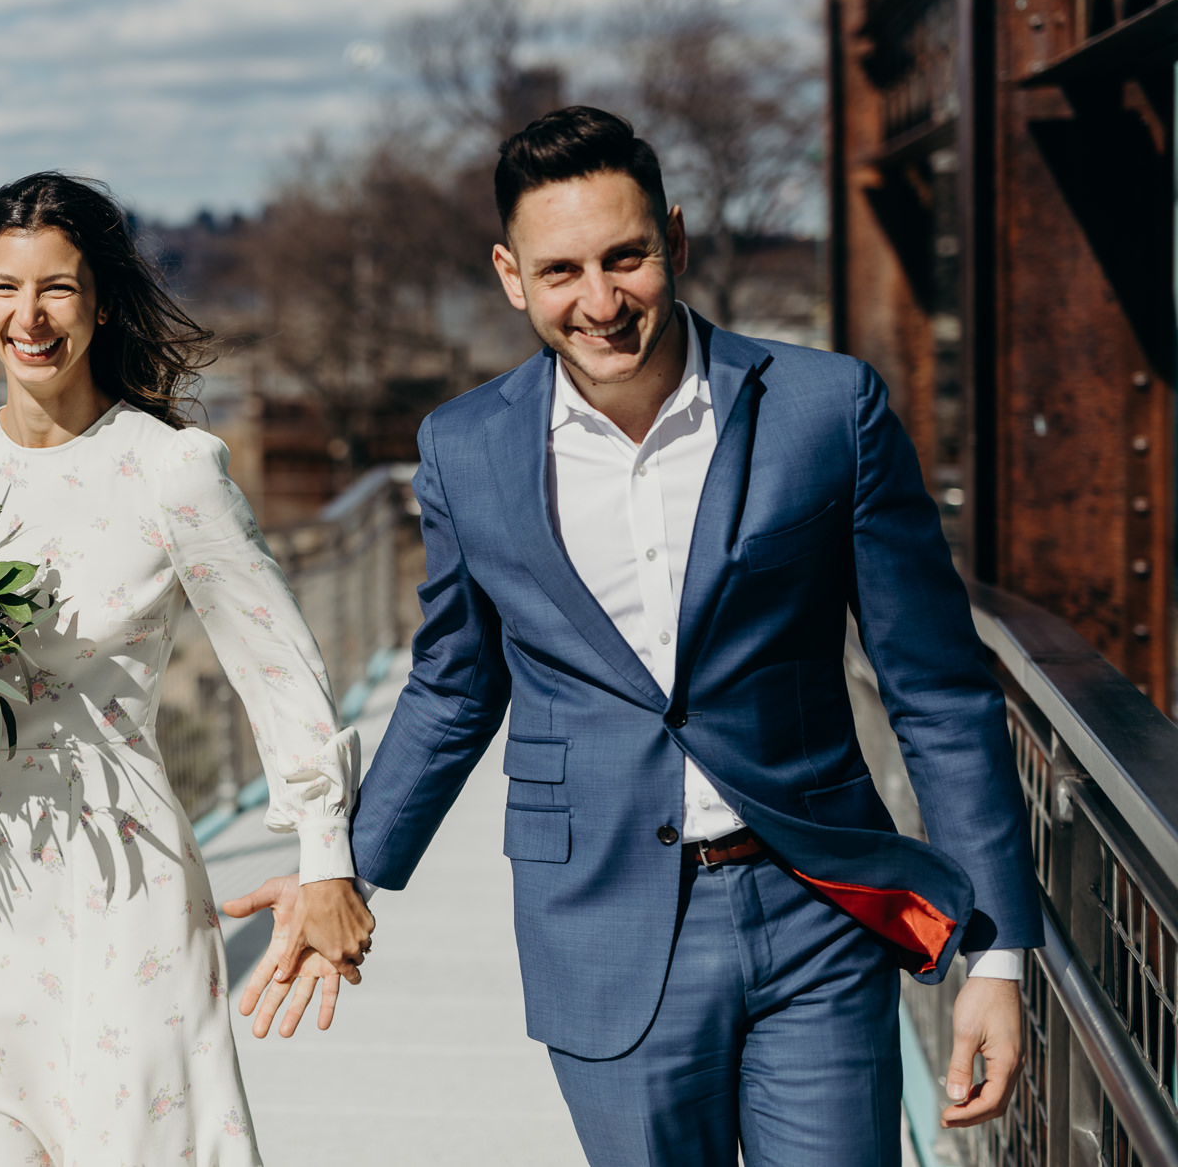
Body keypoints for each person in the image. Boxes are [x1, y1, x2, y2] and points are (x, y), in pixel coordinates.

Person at [237, 107, 1042, 1165]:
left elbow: (934, 688)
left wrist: (996, 952)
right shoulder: (463, 449)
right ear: (509, 275)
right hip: (600, 924)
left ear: (675, 237)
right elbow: (452, 685)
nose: (600, 301)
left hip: (815, 906)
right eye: (560, 270)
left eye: (626, 258)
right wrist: (344, 863)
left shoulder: (823, 408)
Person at [0, 171, 376, 1166]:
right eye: (4, 288)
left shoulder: (170, 468)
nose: (30, 315)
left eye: (57, 287)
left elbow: (279, 670)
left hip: (120, 879)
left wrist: (325, 855)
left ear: (99, 302)